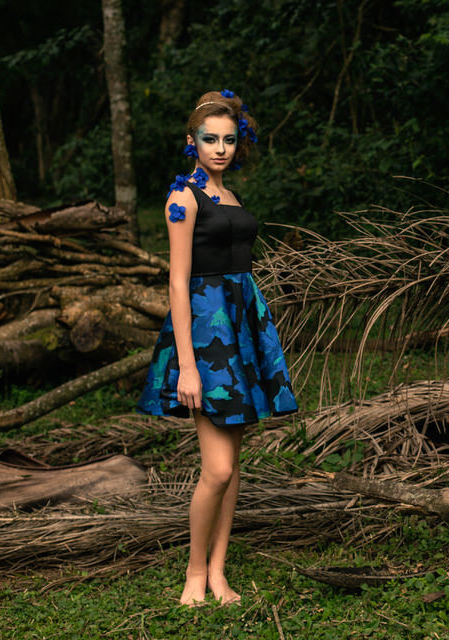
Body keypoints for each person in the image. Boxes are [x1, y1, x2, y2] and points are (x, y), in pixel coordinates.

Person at [136, 89, 298, 606]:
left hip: (242, 328)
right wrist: (187, 366)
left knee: (232, 465)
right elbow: (178, 282)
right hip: (208, 336)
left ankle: (219, 572)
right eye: (211, 140)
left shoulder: (231, 197)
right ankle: (193, 572)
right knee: (219, 469)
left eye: (229, 140)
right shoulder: (182, 198)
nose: (221, 149)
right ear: (193, 142)